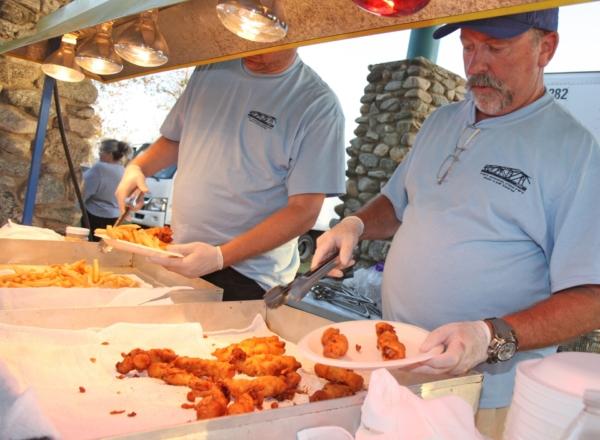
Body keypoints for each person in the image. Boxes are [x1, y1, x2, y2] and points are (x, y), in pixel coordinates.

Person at [311, 9, 600, 439]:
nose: (476, 65)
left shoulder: (575, 153)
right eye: (468, 46)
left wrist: (491, 336)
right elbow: (398, 201)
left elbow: (591, 295)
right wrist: (354, 223)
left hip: (485, 394)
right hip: (398, 366)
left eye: (496, 48)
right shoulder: (442, 121)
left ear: (547, 48)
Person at [115, 48, 345, 301]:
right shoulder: (211, 67)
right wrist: (138, 167)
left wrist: (220, 256)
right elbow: (176, 139)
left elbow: (304, 211)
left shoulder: (318, 105)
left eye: (265, 42)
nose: (250, 48)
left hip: (246, 274)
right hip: (180, 252)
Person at [82, 139, 130, 240]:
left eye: (101, 151)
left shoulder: (100, 168)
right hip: (115, 217)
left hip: (95, 215)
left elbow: (84, 192)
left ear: (110, 154)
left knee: (91, 246)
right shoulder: (124, 170)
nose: (99, 154)